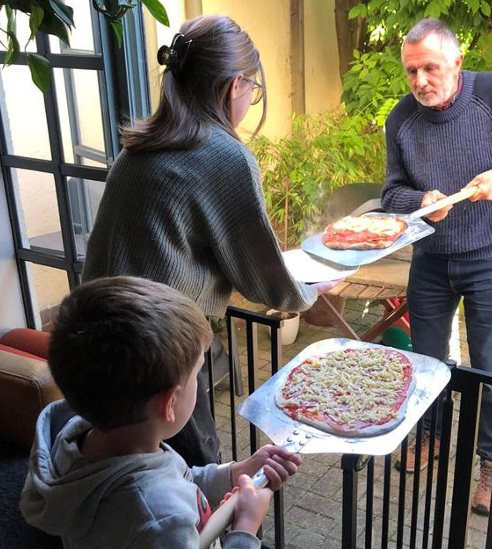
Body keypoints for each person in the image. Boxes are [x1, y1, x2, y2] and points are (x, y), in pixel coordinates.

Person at [81, 15, 339, 467]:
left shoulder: (139, 147)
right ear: (235, 84)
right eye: (252, 89)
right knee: (192, 470)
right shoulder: (223, 156)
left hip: (94, 340)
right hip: (159, 352)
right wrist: (306, 295)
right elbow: (261, 275)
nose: (249, 99)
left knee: (119, 466)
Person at [21, 276, 303, 548]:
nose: (199, 381)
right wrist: (245, 528)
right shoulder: (160, 520)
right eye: (197, 374)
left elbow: (177, 478)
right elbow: (164, 502)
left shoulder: (91, 442)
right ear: (169, 403)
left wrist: (234, 473)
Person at [381, 19, 492, 515]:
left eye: (430, 68)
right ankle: (431, 433)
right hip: (430, 259)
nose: (421, 80)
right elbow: (390, 194)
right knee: (426, 361)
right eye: (411, 72)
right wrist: (420, 199)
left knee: (491, 366)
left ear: (457, 62)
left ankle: (491, 461)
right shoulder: (401, 118)